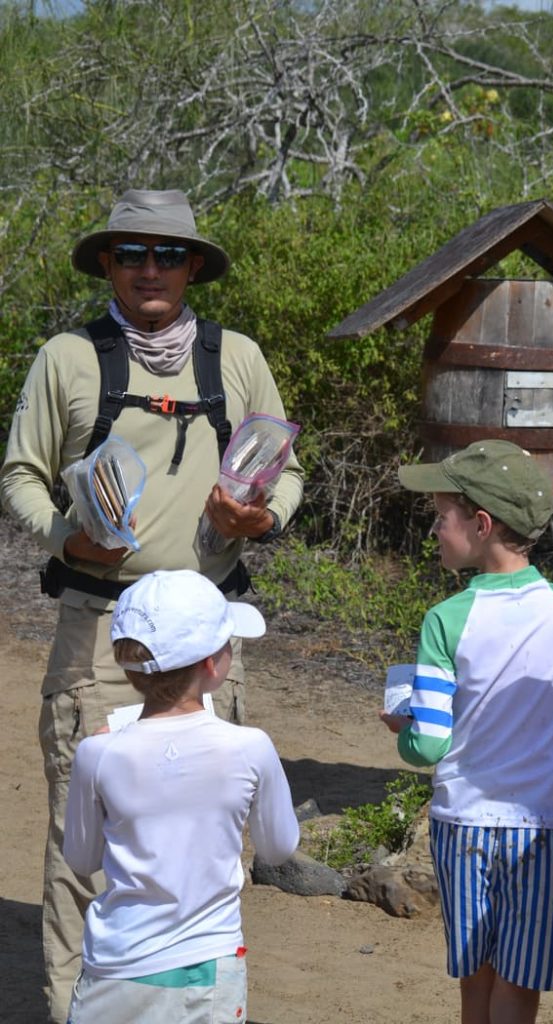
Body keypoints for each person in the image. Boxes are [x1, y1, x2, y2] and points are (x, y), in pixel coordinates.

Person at [0, 188, 304, 1023]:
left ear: (193, 267)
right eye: (130, 253)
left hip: (208, 631)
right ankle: (74, 1009)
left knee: (208, 837)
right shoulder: (68, 358)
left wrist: (263, 519)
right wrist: (69, 540)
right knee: (81, 849)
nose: (149, 269)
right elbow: (21, 473)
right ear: (107, 263)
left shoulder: (235, 357)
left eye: (168, 254)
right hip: (101, 630)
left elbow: (285, 468)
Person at [379, 439, 553, 1024]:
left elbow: (428, 744)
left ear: (481, 525)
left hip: (462, 824)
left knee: (474, 976)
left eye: (441, 517)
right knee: (519, 982)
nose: (434, 529)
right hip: (541, 827)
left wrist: (402, 729)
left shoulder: (445, 619)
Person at [62, 568, 300, 1024]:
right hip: (205, 963)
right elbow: (278, 848)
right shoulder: (250, 747)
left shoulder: (97, 753)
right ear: (212, 664)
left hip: (113, 966)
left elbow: (81, 858)